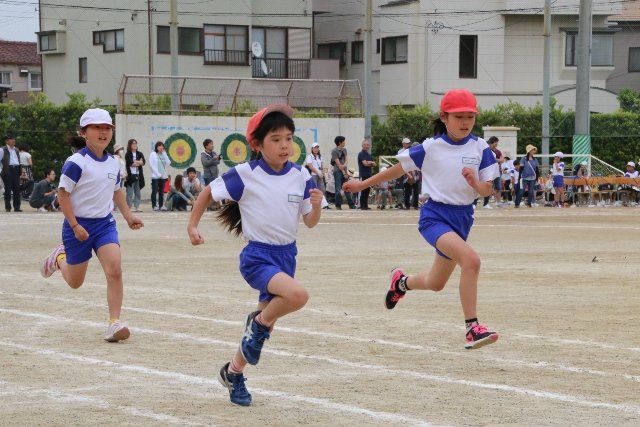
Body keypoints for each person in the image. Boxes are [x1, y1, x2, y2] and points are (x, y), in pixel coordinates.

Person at [187, 104, 323, 406]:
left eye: (289, 138)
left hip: (287, 257)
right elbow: (209, 191)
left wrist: (315, 205)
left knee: (263, 327)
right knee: (297, 297)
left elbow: (310, 223)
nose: (285, 145)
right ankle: (257, 325)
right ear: (257, 144)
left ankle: (233, 373)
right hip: (258, 257)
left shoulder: (301, 175)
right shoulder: (246, 174)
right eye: (276, 139)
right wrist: (192, 226)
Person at [343, 89, 500, 350]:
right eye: (458, 116)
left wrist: (475, 183)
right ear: (444, 117)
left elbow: (487, 190)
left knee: (436, 283)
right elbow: (397, 168)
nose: (465, 122)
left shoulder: (481, 148)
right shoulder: (430, 147)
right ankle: (473, 328)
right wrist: (362, 185)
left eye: (470, 117)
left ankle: (401, 283)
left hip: (463, 219)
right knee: (471, 261)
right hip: (434, 216)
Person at [40, 108, 144, 342]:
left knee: (114, 270)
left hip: (104, 224)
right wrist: (75, 225)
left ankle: (113, 323)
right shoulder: (76, 162)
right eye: (97, 128)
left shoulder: (114, 163)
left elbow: (117, 192)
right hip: (78, 226)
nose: (103, 132)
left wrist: (128, 217)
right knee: (76, 283)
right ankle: (58, 258)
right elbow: (63, 194)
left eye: (107, 128)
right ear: (84, 133)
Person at [330, 135, 355, 210]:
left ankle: (351, 205)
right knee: (338, 189)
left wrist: (344, 167)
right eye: (343, 141)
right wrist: (344, 172)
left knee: (347, 188)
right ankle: (338, 205)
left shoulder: (345, 150)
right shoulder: (334, 151)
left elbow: (346, 160)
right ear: (340, 142)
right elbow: (338, 164)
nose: (344, 142)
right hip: (337, 171)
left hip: (344, 170)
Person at [0, 133, 23, 212]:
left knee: (17, 189)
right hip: (7, 169)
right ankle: (8, 207)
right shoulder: (2, 149)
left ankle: (17, 207)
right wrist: (1, 170)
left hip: (16, 169)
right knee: (8, 189)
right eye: (11, 139)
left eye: (14, 139)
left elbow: (18, 160)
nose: (13, 141)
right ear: (7, 141)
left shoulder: (16, 150)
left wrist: (20, 170)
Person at [124, 138, 146, 212]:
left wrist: (136, 162)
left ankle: (137, 207)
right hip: (131, 176)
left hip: (138, 175)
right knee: (130, 193)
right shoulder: (128, 154)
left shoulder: (139, 153)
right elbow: (131, 164)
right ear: (130, 145)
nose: (135, 145)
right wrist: (139, 162)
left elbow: (143, 162)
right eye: (133, 143)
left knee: (138, 192)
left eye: (136, 143)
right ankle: (129, 207)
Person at [149, 140, 170, 211]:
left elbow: (169, 162)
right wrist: (158, 174)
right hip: (155, 176)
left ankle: (161, 205)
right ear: (156, 147)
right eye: (159, 146)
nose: (161, 147)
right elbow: (151, 165)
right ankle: (154, 205)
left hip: (163, 176)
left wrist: (165, 154)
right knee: (154, 191)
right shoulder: (153, 154)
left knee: (161, 191)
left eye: (162, 146)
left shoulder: (163, 154)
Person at [357, 139, 375, 210]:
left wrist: (369, 162)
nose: (367, 146)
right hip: (363, 175)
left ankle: (365, 205)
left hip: (368, 175)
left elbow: (374, 164)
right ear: (362, 145)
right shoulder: (361, 154)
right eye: (365, 145)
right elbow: (364, 163)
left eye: (368, 145)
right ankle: (362, 205)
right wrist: (370, 163)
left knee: (367, 190)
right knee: (363, 190)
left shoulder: (369, 155)